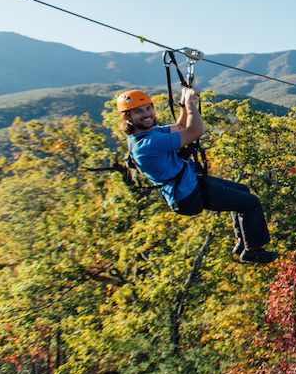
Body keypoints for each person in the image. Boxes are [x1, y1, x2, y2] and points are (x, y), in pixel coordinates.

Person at [115, 87, 278, 265]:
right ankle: (252, 251)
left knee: (242, 191)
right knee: (250, 202)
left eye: (148, 108)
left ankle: (244, 241)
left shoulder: (148, 134)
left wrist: (184, 103)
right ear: (127, 117)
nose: (146, 114)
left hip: (190, 183)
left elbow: (182, 127)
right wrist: (192, 103)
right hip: (188, 194)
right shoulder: (148, 144)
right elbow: (195, 130)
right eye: (138, 111)